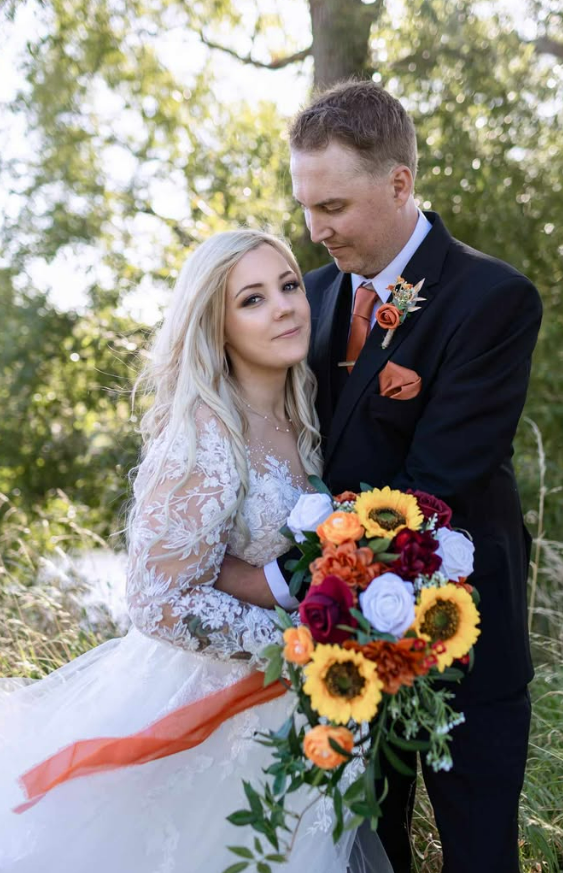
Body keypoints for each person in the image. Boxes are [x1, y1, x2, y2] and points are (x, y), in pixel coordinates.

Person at [219, 82, 543, 873]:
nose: (315, 229)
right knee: (366, 849)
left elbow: (429, 486)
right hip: (337, 649)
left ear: (398, 184)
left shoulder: (491, 299)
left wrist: (269, 578)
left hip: (459, 637)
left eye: (333, 205)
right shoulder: (311, 295)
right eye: (306, 206)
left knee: (478, 854)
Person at [0, 229, 390, 872]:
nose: (286, 308)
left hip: (293, 720)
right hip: (205, 711)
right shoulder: (206, 434)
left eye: (290, 286)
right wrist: (296, 646)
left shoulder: (303, 413)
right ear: (218, 325)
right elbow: (157, 601)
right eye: (253, 300)